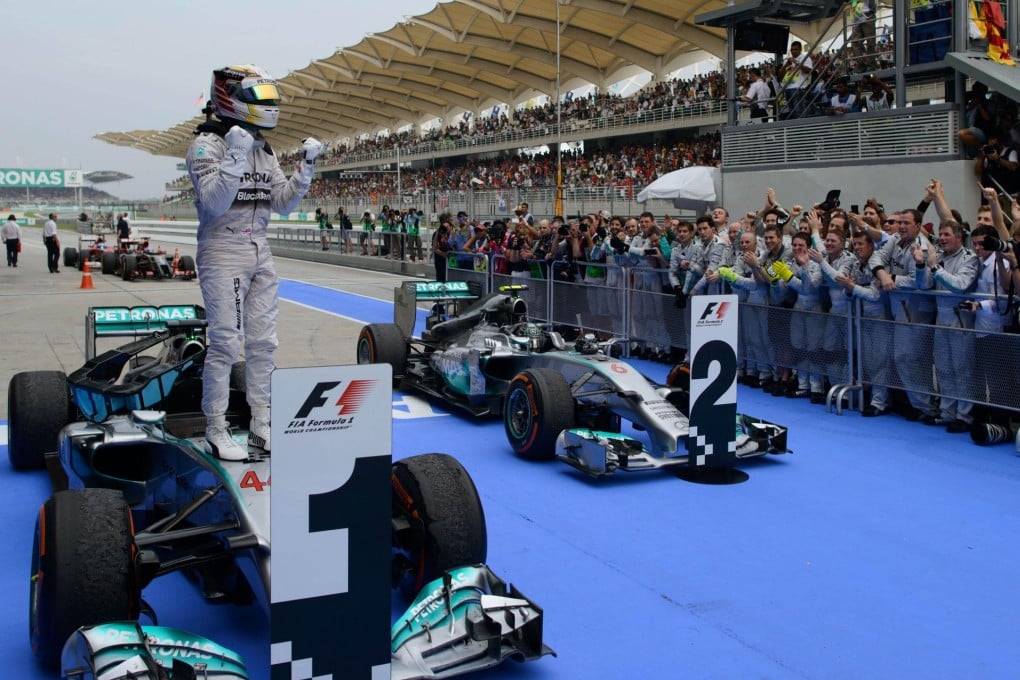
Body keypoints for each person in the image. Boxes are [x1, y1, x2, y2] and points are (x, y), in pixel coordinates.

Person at [186, 64, 321, 461]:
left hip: (260, 248)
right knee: (226, 342)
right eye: (260, 98)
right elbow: (214, 201)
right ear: (232, 99)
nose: (270, 106)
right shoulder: (206, 147)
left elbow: (282, 202)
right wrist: (237, 154)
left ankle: (262, 423)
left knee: (264, 343)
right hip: (222, 248)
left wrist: (306, 168)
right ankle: (215, 427)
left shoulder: (264, 148)